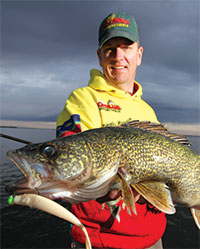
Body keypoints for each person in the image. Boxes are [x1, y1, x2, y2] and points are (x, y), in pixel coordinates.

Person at [56, 12, 166, 249]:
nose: (118, 56)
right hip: (101, 241)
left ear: (139, 54)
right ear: (99, 56)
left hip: (153, 238)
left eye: (126, 47)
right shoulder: (83, 99)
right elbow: (72, 168)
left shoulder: (148, 111)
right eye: (110, 49)